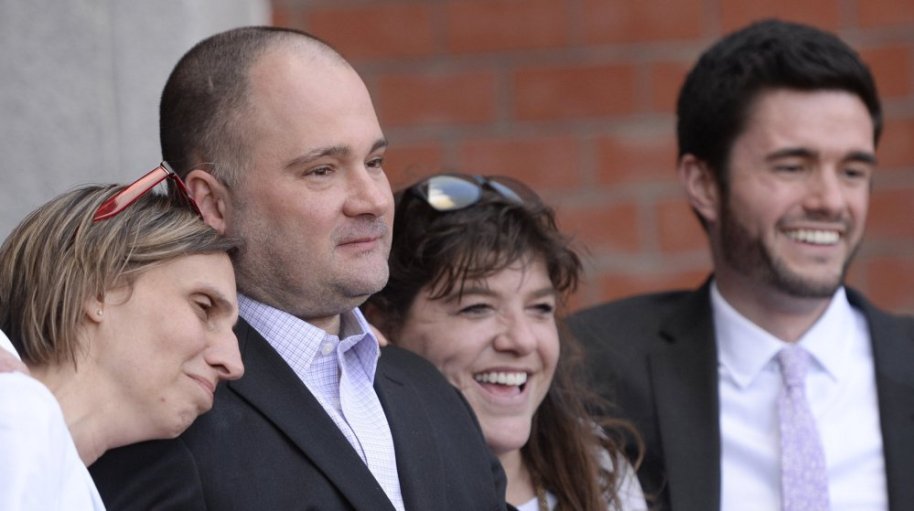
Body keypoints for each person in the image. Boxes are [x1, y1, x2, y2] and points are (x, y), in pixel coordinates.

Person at [90, 27, 509, 511]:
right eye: (321, 170)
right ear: (212, 202)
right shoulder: (161, 413)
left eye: (374, 162)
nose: (373, 200)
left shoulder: (427, 390)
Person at [569, 18, 914, 511]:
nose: (831, 201)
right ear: (704, 184)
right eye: (792, 167)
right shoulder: (595, 369)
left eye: (853, 171)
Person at [365, 173, 647, 511]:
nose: (523, 340)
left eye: (540, 308)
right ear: (379, 326)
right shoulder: (360, 483)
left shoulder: (599, 469)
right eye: (477, 308)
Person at [0, 165, 243, 510]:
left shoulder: (68, 477)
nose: (233, 364)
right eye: (203, 308)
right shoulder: (17, 411)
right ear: (99, 291)